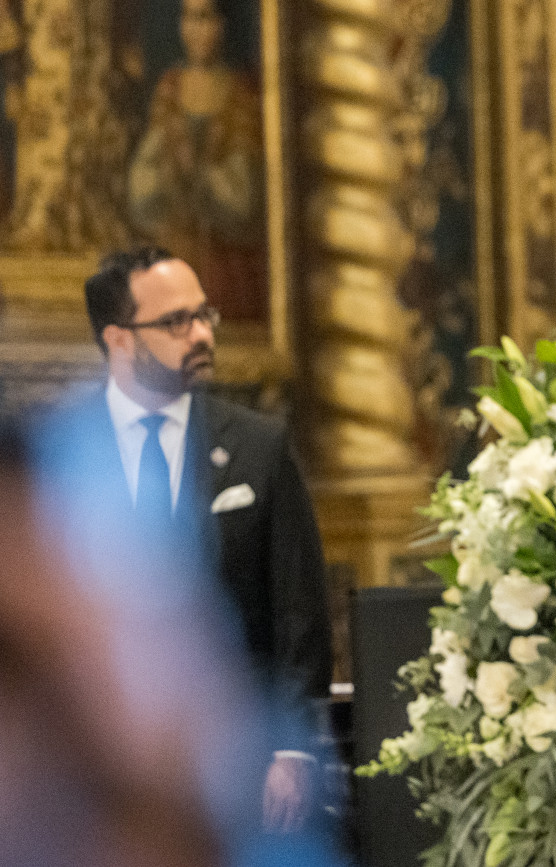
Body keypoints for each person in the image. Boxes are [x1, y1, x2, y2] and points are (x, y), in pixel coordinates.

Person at [34, 246, 334, 844]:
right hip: (98, 779)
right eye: (176, 322)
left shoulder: (258, 446)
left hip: (242, 766)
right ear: (119, 339)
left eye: (204, 315)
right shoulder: (57, 453)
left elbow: (299, 611)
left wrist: (293, 753)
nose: (201, 334)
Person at [128, 0, 265, 321]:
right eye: (189, 18)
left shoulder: (241, 92)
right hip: (174, 250)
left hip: (227, 260)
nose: (196, 30)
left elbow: (245, 194)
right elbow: (145, 177)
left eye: (206, 19)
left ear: (223, 25)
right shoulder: (170, 88)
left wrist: (205, 185)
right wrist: (164, 185)